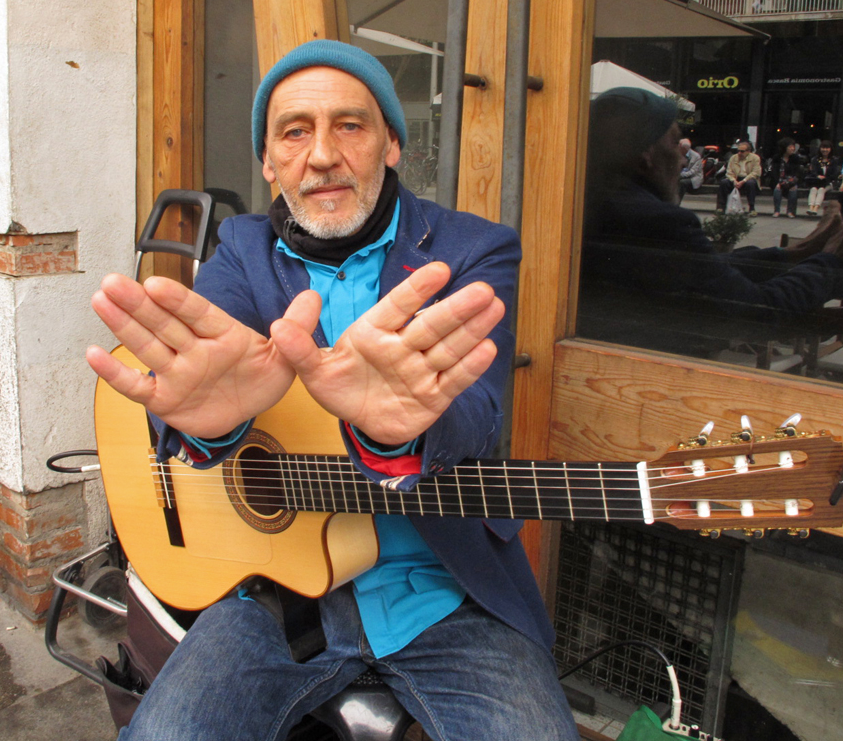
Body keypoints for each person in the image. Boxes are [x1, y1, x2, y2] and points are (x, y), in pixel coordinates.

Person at [87, 40, 578, 741]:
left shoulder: (472, 250)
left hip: (443, 593)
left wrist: (396, 431)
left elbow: (477, 418)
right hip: (269, 597)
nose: (321, 155)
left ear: (391, 146)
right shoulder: (242, 249)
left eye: (349, 125)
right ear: (268, 161)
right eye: (294, 131)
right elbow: (198, 386)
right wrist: (213, 429)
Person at [578, 87, 843, 357]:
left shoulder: (587, 203)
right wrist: (835, 263)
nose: (682, 156)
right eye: (675, 142)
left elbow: (702, 270)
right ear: (645, 156)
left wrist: (796, 253)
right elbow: (754, 314)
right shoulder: (657, 220)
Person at [716, 139, 761, 216]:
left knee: (751, 183)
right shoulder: (733, 158)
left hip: (747, 178)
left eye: (742, 151)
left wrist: (743, 181)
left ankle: (752, 208)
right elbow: (729, 172)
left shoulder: (755, 158)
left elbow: (756, 173)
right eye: (738, 151)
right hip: (736, 178)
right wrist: (734, 181)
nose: (739, 153)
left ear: (748, 151)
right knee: (724, 182)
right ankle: (721, 207)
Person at [768, 137, 803, 218]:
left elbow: (796, 172)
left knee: (793, 189)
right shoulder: (777, 158)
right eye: (790, 147)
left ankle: (790, 211)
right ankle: (777, 210)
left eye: (793, 147)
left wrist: (791, 182)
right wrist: (778, 182)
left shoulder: (795, 158)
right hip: (779, 180)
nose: (792, 148)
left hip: (791, 180)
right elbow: (774, 172)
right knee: (777, 189)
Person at [805, 140, 840, 216]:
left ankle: (816, 208)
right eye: (823, 148)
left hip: (828, 183)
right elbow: (813, 171)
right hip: (816, 182)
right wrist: (817, 176)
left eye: (827, 148)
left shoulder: (834, 160)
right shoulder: (815, 159)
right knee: (813, 189)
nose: (825, 150)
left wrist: (825, 177)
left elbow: (834, 174)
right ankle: (811, 207)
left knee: (821, 190)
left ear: (830, 149)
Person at [677, 138, 702, 202]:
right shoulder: (678, 155)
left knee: (682, 182)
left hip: (692, 178)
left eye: (679, 147)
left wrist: (680, 175)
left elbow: (693, 172)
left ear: (684, 149)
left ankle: (676, 203)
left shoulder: (696, 156)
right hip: (680, 176)